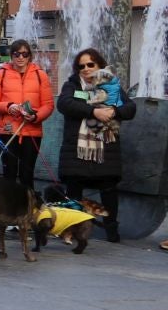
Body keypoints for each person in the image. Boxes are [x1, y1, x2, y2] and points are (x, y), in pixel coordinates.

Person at [56, 46, 137, 243]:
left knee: (108, 190)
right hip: (77, 150)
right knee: (74, 190)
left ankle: (111, 230)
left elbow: (130, 108)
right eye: (81, 66)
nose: (86, 68)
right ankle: (72, 229)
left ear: (99, 64)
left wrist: (114, 112)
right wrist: (93, 112)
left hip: (105, 150)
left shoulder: (111, 86)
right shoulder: (72, 85)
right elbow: (64, 104)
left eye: (90, 64)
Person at [0, 38, 53, 193]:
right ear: (11, 55)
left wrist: (35, 116)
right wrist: (8, 107)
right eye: (17, 54)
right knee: (9, 172)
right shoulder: (1, 74)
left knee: (27, 173)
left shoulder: (40, 75)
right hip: (8, 131)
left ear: (30, 56)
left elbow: (49, 105)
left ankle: (28, 210)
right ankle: (7, 211)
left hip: (32, 131)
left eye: (25, 54)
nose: (20, 58)